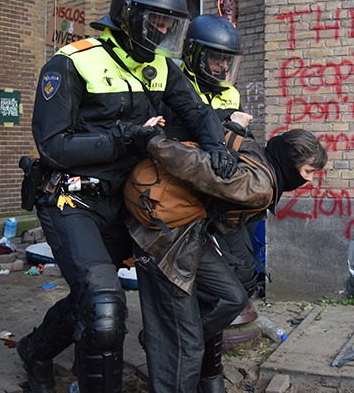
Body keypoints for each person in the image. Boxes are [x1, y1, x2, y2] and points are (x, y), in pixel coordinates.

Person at [17, 0, 238, 393]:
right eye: (156, 22)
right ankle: (38, 358)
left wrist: (217, 148)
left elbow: (196, 112)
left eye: (170, 26)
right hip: (71, 200)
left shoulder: (162, 67)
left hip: (129, 203)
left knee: (96, 298)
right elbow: (52, 146)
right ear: (128, 16)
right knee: (104, 307)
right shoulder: (71, 61)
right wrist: (126, 137)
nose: (162, 33)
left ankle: (34, 348)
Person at [124, 118, 328, 393]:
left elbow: (222, 134)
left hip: (192, 230)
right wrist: (152, 141)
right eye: (307, 171)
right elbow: (200, 167)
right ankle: (174, 342)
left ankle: (166, 337)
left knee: (231, 298)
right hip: (165, 238)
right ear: (290, 163)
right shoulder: (259, 185)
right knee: (188, 345)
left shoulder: (258, 153)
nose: (309, 180)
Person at [159, 13, 262, 390]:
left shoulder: (229, 92)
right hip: (181, 201)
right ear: (194, 54)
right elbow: (178, 138)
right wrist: (225, 124)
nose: (220, 67)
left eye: (226, 60)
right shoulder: (176, 85)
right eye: (214, 58)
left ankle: (208, 366)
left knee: (244, 277)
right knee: (198, 288)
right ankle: (204, 372)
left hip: (220, 199)